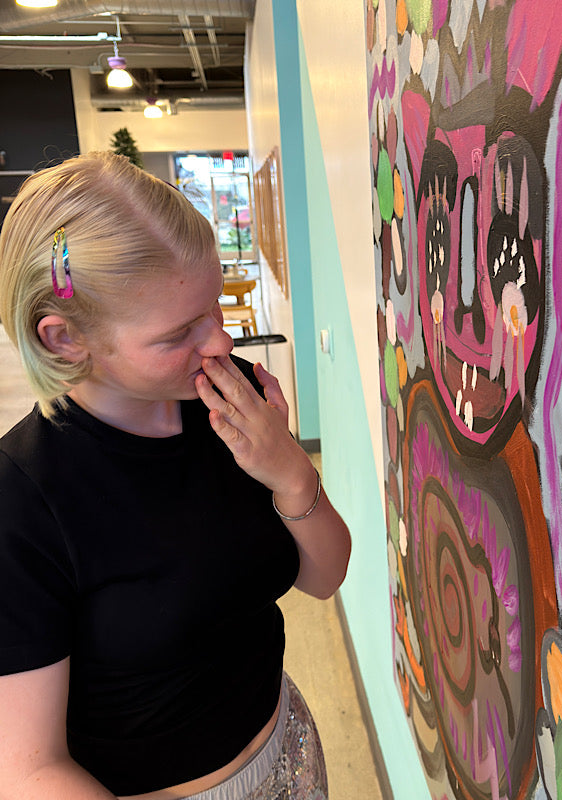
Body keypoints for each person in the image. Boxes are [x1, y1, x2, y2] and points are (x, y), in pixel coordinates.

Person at [0, 151, 351, 800]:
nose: (220, 342)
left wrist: (292, 474)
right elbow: (27, 769)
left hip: (292, 750)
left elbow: (325, 578)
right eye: (179, 332)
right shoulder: (22, 498)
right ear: (64, 340)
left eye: (215, 307)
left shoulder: (231, 400)